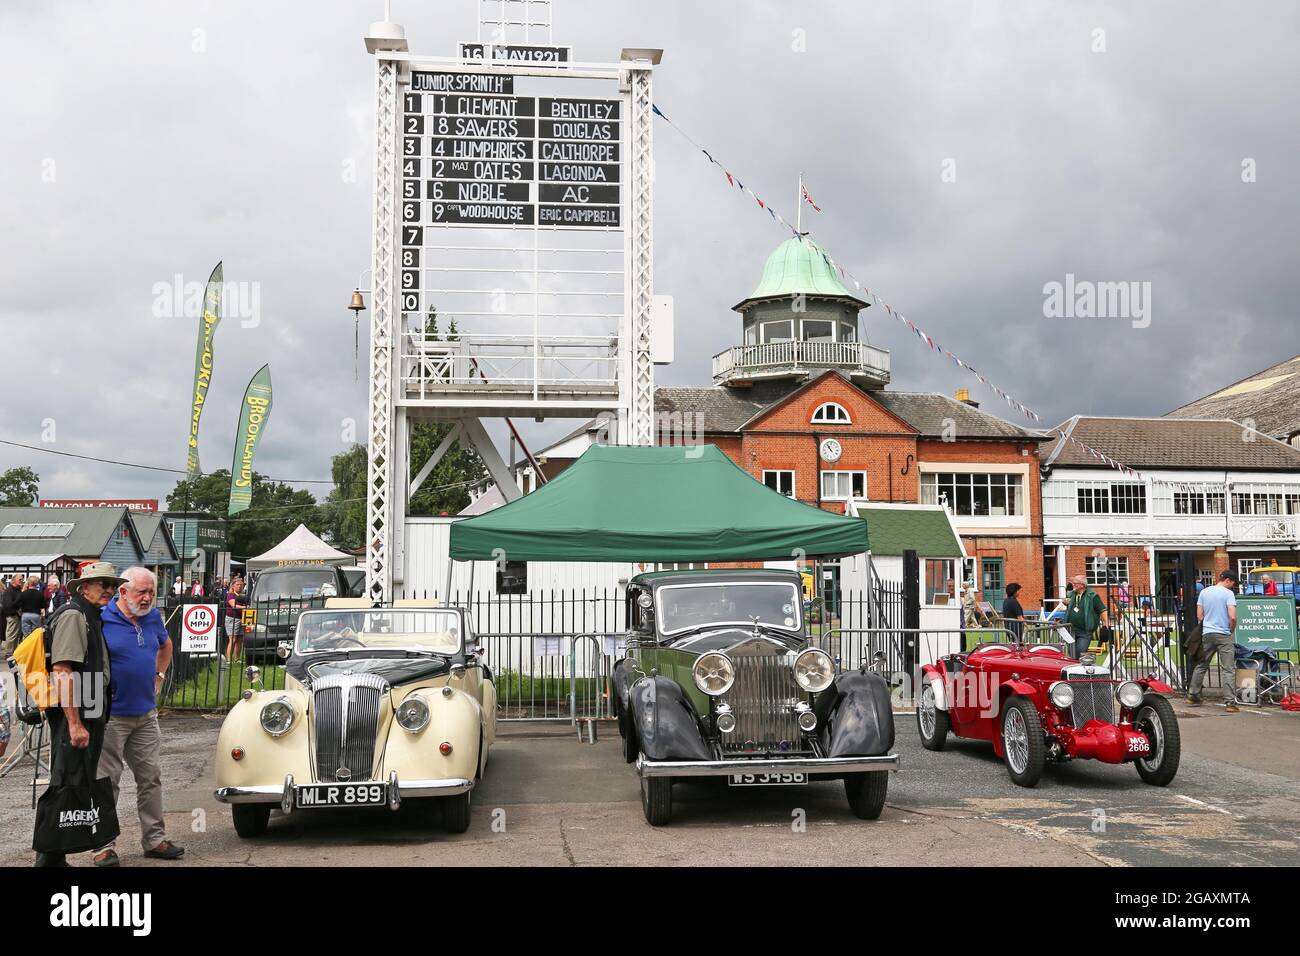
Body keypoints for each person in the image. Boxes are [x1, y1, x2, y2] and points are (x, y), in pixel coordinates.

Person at [90, 567, 183, 866]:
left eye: (151, 593)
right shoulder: (102, 618)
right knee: (107, 781)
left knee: (150, 778)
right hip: (111, 716)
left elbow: (166, 645)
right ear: (123, 592)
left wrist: (159, 674)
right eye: (141, 592)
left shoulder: (153, 618)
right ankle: (103, 846)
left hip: (145, 714)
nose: (146, 598)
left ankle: (154, 840)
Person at [36, 561, 123, 867]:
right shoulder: (75, 615)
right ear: (84, 587)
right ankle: (47, 857)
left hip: (88, 712)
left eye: (113, 585)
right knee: (65, 782)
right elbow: (62, 671)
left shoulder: (89, 615)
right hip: (77, 716)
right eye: (103, 584)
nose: (110, 590)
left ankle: (53, 855)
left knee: (72, 781)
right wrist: (75, 724)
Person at [1189, 570, 1239, 713]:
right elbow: (1233, 616)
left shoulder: (1204, 592)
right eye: (1233, 583)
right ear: (1228, 580)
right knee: (1228, 669)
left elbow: (1199, 615)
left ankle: (1193, 694)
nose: (1232, 586)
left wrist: (1207, 625)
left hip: (1207, 633)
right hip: (1223, 634)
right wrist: (1231, 629)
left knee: (1201, 665)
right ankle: (1229, 702)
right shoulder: (1228, 594)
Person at [1063, 573, 1108, 658]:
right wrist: (1064, 602)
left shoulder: (1092, 596)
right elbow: (1067, 605)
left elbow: (1102, 610)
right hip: (1070, 630)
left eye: (1075, 583)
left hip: (1085, 632)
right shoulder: (1071, 594)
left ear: (1082, 585)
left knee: (1080, 653)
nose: (1073, 585)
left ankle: (1080, 669)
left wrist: (1106, 624)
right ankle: (1074, 670)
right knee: (1071, 654)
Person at [223, 577, 246, 662]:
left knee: (239, 639)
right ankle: (229, 660)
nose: (239, 586)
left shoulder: (242, 595)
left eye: (241, 585)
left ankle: (237, 659)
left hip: (241, 618)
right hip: (232, 618)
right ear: (233, 586)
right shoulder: (231, 594)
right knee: (232, 639)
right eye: (237, 585)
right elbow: (233, 605)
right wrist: (245, 607)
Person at [1, 573, 24, 655]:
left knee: (16, 636)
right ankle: (9, 653)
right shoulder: (9, 591)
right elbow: (8, 605)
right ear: (13, 580)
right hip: (12, 615)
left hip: (16, 615)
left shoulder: (17, 589)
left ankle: (13, 653)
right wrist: (17, 610)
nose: (22, 581)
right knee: (11, 635)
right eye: (20, 579)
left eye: (22, 579)